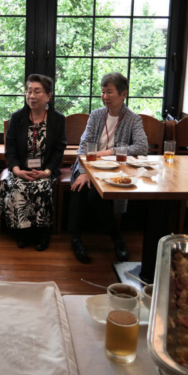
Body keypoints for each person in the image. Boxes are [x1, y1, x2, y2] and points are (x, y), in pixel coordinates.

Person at [68, 72, 148, 263]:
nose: (105, 96)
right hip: (88, 165)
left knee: (95, 195)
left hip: (115, 170)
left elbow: (142, 147)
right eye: (103, 92)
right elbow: (83, 146)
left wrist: (111, 152)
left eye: (109, 92)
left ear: (123, 94)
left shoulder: (133, 119)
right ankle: (76, 238)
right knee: (80, 186)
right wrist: (85, 172)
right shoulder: (96, 115)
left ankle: (117, 239)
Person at [0, 74, 66, 251]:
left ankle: (42, 232)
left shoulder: (58, 119)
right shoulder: (17, 118)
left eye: (37, 91)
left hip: (45, 170)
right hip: (21, 169)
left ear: (48, 96)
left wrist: (47, 172)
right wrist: (17, 170)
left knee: (43, 186)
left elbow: (59, 150)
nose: (31, 96)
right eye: (28, 91)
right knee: (18, 186)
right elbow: (10, 149)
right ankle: (22, 231)